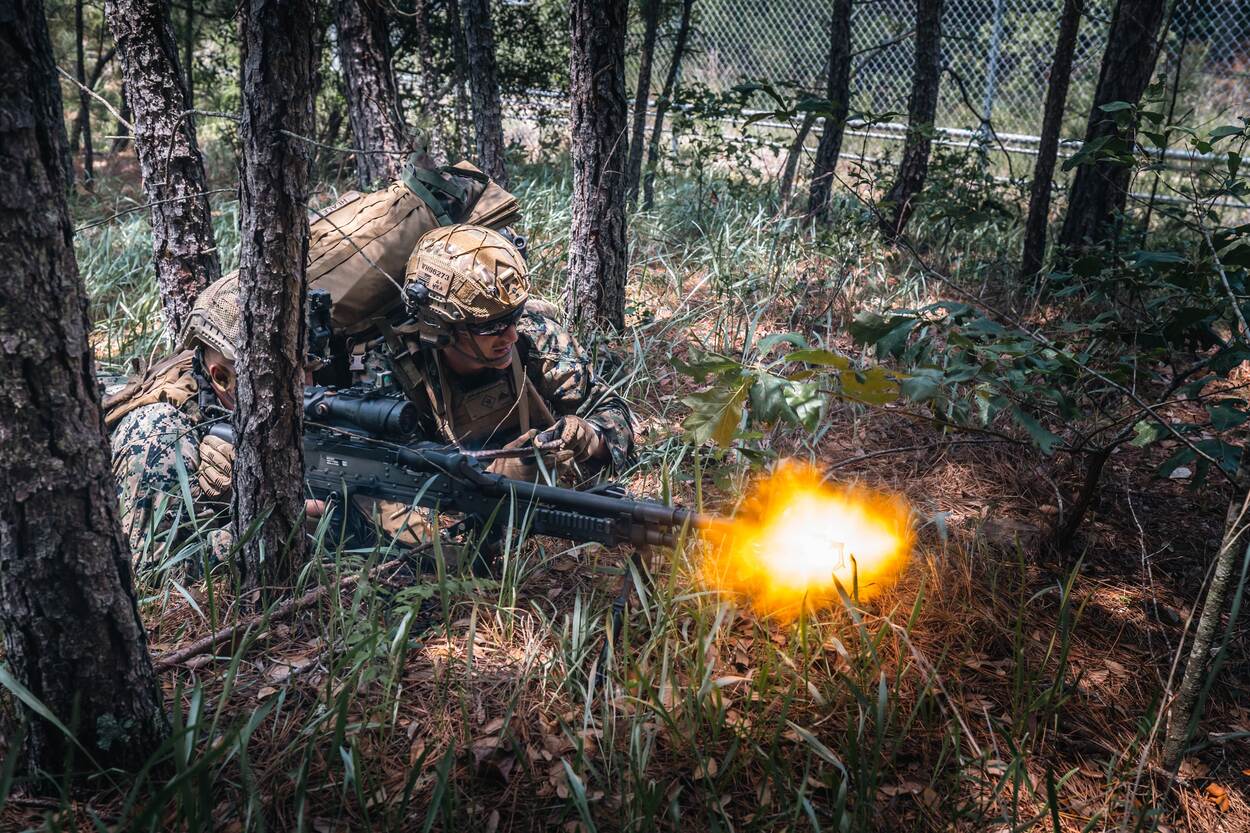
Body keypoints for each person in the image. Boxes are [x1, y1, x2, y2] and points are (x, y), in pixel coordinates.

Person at [382, 223, 634, 481]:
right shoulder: (399, 370)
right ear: (442, 326)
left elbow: (613, 413)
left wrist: (589, 435)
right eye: (492, 327)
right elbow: (387, 476)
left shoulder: (534, 338)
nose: (511, 335)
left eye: (514, 316)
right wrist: (493, 476)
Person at [104, 274, 244, 569]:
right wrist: (266, 527)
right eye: (281, 373)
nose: (307, 386)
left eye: (309, 365)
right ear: (221, 378)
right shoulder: (159, 434)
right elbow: (149, 570)